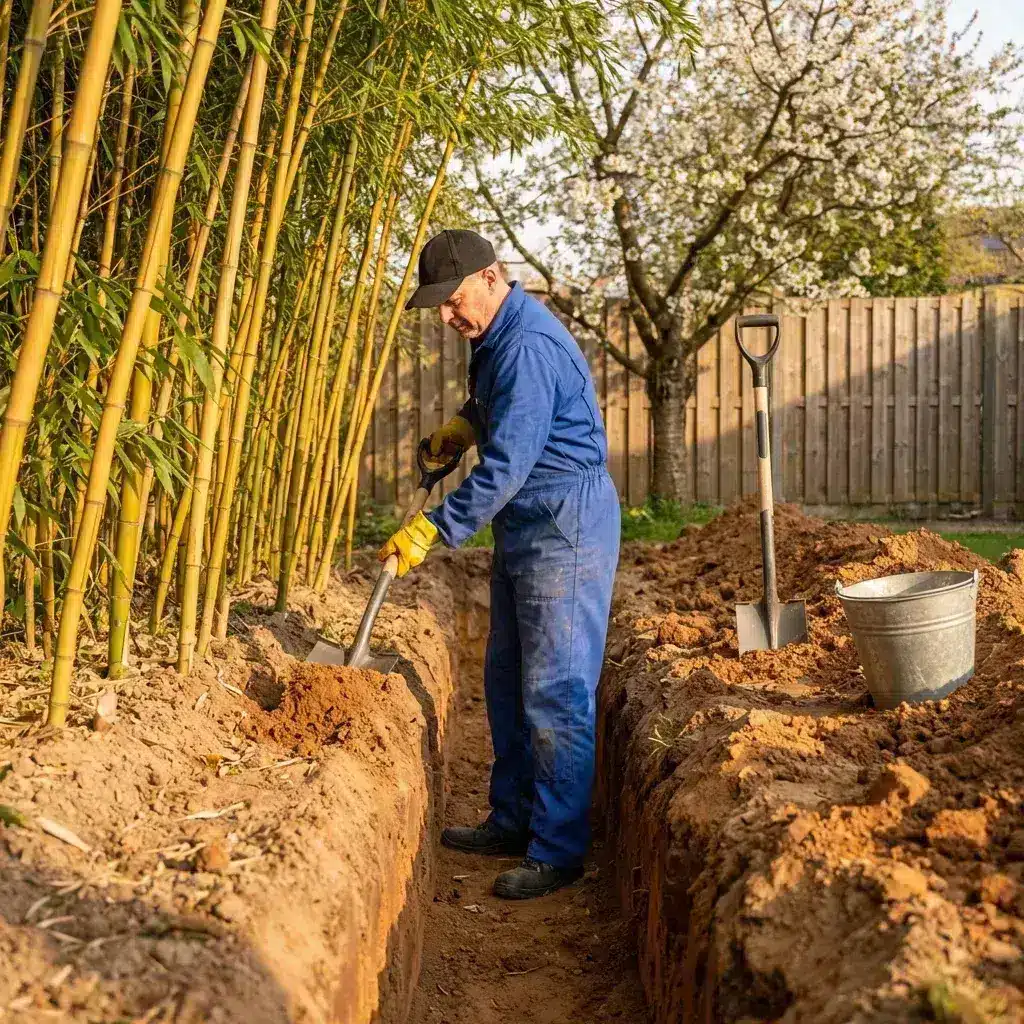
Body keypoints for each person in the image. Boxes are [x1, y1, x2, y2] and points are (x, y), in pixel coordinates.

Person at [378, 229, 620, 900]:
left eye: (454, 303)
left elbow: (509, 466)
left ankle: (559, 850)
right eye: (441, 310)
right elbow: (501, 419)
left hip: (563, 523)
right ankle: (514, 819)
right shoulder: (497, 337)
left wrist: (434, 525)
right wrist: (463, 426)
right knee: (508, 677)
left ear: (491, 276)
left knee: (556, 688)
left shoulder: (527, 346)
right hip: (529, 521)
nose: (449, 319)